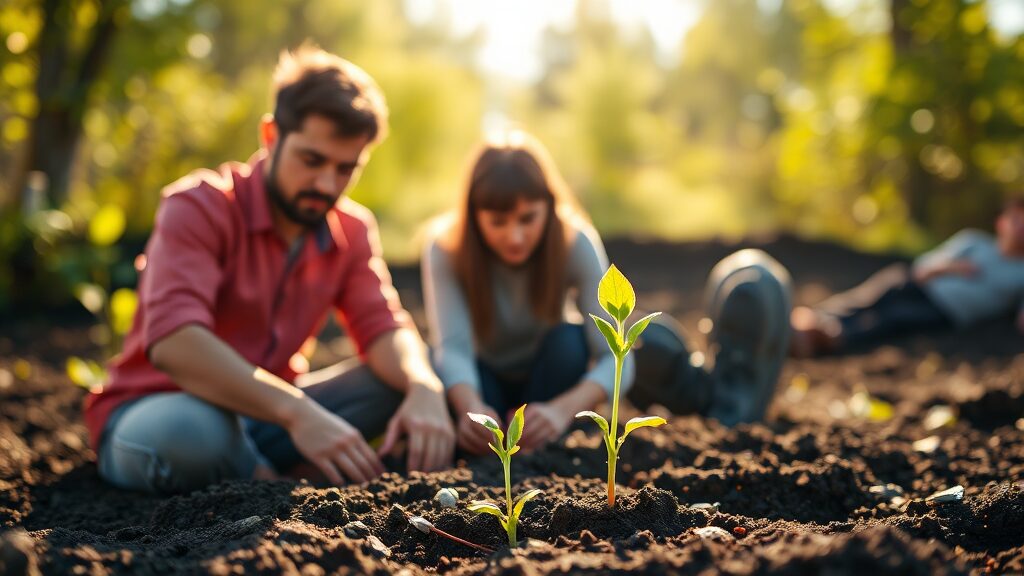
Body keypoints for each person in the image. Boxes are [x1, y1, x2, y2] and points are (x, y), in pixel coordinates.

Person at [83, 45, 455, 494]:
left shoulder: (351, 230)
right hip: (158, 414)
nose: (327, 185)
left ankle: (270, 476)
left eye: (346, 169)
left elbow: (384, 327)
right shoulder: (199, 206)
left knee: (409, 375)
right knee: (195, 432)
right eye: (312, 160)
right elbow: (175, 342)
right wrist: (298, 413)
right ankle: (286, 483)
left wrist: (424, 387)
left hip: (269, 420)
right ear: (271, 135)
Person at [421, 131, 793, 456]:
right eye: (498, 222)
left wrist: (561, 411)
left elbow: (616, 357)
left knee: (571, 342)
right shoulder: (446, 248)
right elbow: (452, 348)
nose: (515, 237)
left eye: (527, 219)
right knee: (442, 371)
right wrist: (471, 407)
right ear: (473, 216)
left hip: (549, 381)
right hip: (481, 385)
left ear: (548, 207)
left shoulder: (574, 241)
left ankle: (714, 399)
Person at [790, 197, 1024, 357]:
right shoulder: (973, 242)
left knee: (894, 318)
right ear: (1001, 223)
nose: (1021, 227)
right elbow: (923, 267)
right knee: (874, 293)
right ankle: (812, 319)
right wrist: (951, 268)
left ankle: (830, 338)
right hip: (921, 285)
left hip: (945, 311)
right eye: (1017, 219)